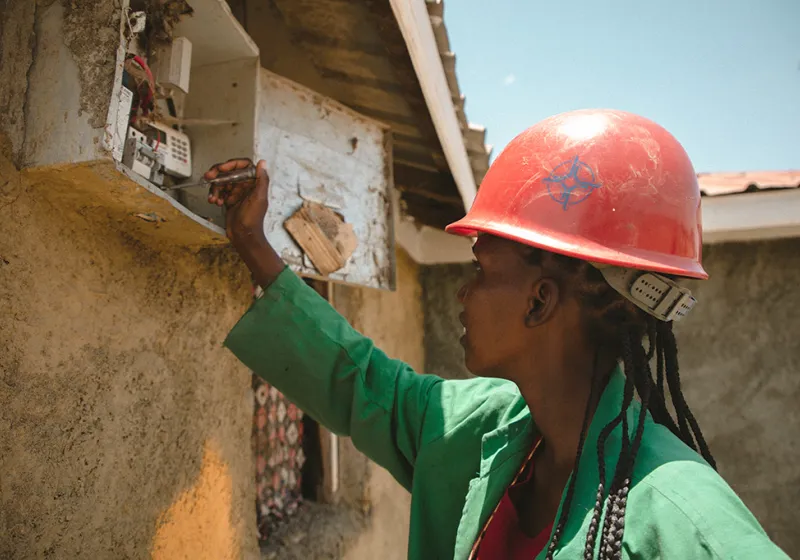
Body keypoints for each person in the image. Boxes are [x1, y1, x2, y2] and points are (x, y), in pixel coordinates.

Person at [207, 109, 789, 559]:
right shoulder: (483, 426)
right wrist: (256, 247)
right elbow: (365, 385)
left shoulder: (682, 516)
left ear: (540, 301)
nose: (463, 295)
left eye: (480, 271)